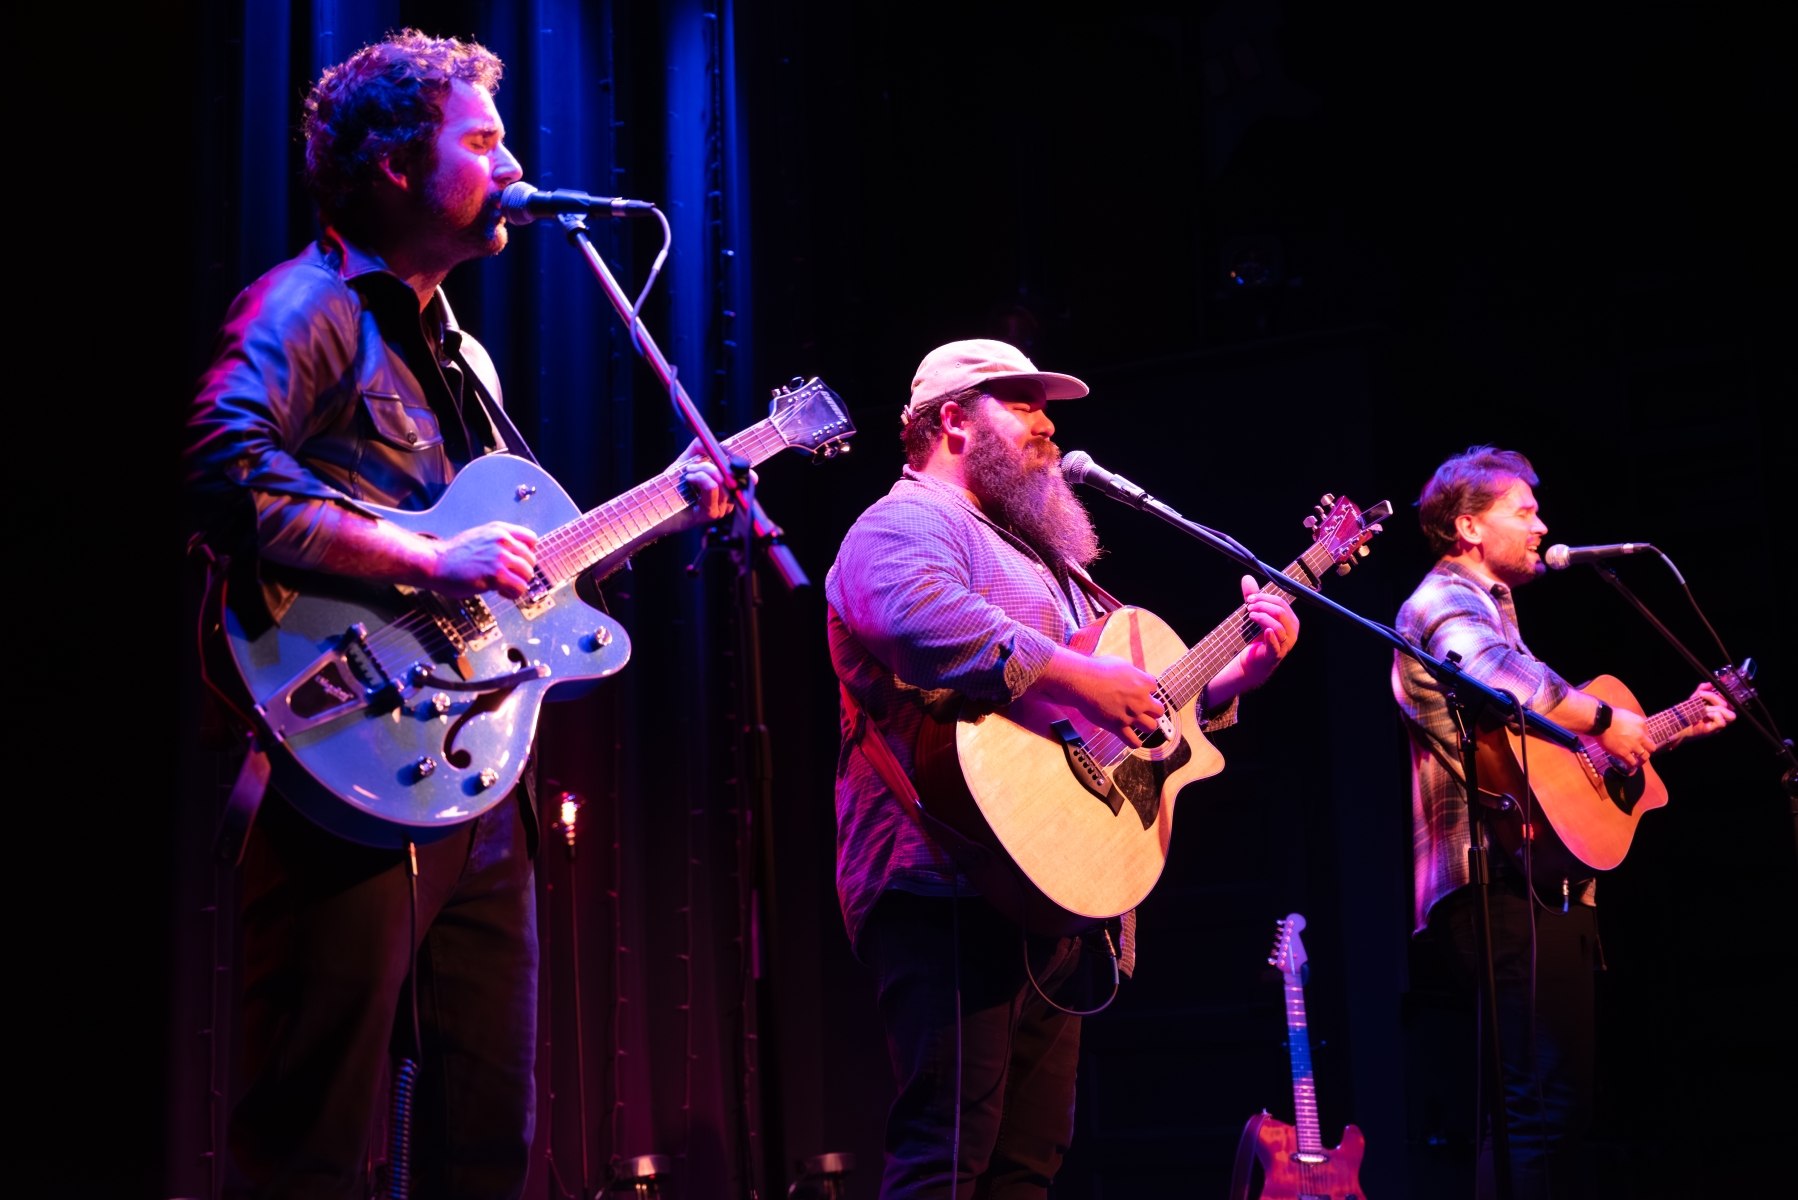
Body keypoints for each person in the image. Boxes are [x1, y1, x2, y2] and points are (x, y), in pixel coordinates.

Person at [185, 31, 731, 1199]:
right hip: (344, 764)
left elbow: (520, 579)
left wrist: (668, 512)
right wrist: (428, 557)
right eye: (482, 141)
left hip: (475, 779)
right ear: (393, 165)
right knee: (312, 1135)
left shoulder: (464, 357)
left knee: (486, 1138)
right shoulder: (307, 305)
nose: (514, 165)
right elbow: (224, 474)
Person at [824, 340, 1301, 1198]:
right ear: (953, 421)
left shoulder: (1053, 562)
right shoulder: (907, 521)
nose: (1048, 424)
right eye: (1023, 404)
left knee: (1028, 1165)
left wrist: (1231, 680)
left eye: (1047, 407)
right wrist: (1080, 678)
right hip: (947, 878)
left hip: (1053, 890)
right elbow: (916, 618)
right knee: (945, 1158)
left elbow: (1127, 713)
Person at [1391, 446, 1734, 1198]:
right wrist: (1609, 719)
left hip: (1534, 881)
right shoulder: (1443, 602)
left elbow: (1557, 759)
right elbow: (1497, 677)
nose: (1542, 526)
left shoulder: (1495, 614)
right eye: (1525, 511)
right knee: (1537, 1113)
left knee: (1547, 1113)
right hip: (1495, 876)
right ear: (1469, 526)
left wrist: (1669, 726)